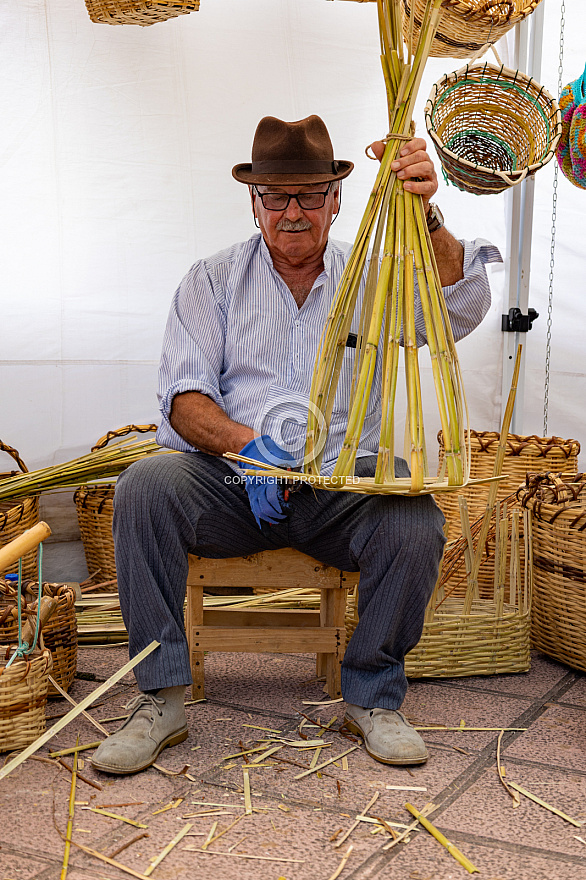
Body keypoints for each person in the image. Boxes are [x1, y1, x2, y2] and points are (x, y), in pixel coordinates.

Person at [91, 115, 501, 775]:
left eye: (311, 194)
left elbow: (459, 309)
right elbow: (184, 399)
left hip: (344, 486)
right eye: (276, 197)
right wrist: (250, 449)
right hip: (234, 486)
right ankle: (159, 699)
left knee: (415, 520)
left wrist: (425, 216)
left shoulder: (374, 275)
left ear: (337, 199)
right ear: (252, 202)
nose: (292, 212)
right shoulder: (213, 279)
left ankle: (372, 695)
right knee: (144, 488)